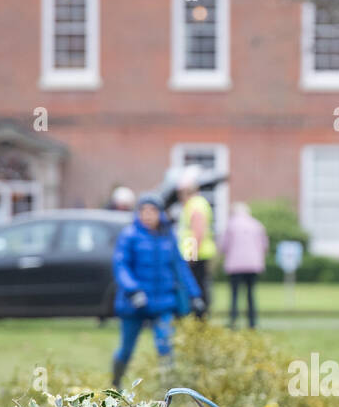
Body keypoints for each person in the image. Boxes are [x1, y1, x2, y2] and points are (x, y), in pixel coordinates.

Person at [110, 193, 205, 389]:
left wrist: (194, 294)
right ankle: (116, 382)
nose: (147, 215)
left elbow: (180, 268)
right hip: (134, 304)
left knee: (166, 347)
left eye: (152, 211)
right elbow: (121, 266)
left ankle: (168, 389)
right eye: (143, 211)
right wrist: (133, 290)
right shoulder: (129, 235)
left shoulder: (168, 237)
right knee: (126, 349)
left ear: (159, 213)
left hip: (163, 302)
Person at [175, 167, 216, 319]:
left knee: (197, 290)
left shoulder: (195, 204)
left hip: (197, 255)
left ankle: (199, 319)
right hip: (197, 254)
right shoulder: (196, 203)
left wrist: (191, 255)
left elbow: (197, 232)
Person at [219, 202, 268, 329]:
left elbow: (223, 245)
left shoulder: (231, 225)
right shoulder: (257, 225)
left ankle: (233, 320)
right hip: (253, 265)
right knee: (250, 294)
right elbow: (264, 246)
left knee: (235, 294)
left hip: (235, 265)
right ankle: (252, 322)